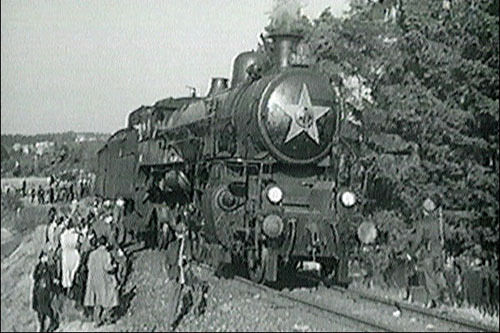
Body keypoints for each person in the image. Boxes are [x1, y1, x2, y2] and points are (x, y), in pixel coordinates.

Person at [409, 197, 447, 308]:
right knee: (437, 275)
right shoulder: (439, 222)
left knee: (429, 277)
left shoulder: (423, 223)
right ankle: (434, 301)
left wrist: (411, 253)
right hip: (439, 253)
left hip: (429, 253)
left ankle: (438, 301)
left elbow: (418, 240)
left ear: (424, 210)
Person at [84, 236, 120, 327]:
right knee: (109, 298)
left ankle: (97, 320)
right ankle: (107, 317)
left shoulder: (92, 254)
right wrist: (114, 266)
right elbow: (108, 268)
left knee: (97, 300)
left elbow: (88, 266)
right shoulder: (106, 254)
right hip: (104, 280)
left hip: (94, 280)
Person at [32, 252, 60, 332]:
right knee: (42, 309)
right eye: (44, 257)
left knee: (44, 307)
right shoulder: (40, 268)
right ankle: (45, 324)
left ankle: (51, 322)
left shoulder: (47, 267)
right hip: (41, 291)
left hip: (44, 291)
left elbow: (50, 278)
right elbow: (36, 277)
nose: (46, 258)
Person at [60, 218, 81, 297]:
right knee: (73, 271)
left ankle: (66, 289)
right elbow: (78, 244)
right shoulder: (76, 235)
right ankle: (72, 289)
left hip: (65, 254)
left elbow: (62, 245)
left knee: (66, 272)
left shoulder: (63, 235)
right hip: (74, 253)